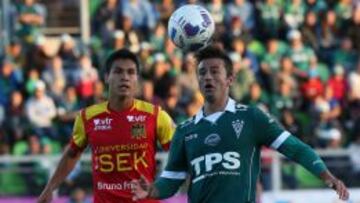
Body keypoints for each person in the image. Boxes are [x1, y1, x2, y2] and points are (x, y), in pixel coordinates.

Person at [131, 45, 349, 203]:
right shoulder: (185, 131)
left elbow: (295, 148)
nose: (208, 77)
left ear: (230, 79)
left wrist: (327, 176)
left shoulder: (252, 117)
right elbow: (171, 180)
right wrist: (152, 190)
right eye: (202, 73)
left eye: (215, 71)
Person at [38, 48, 175, 203]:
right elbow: (72, 154)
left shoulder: (156, 116)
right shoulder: (87, 118)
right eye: (118, 72)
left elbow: (179, 155)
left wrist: (162, 187)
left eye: (131, 72)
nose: (125, 77)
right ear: (106, 77)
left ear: (137, 79)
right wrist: (50, 188)